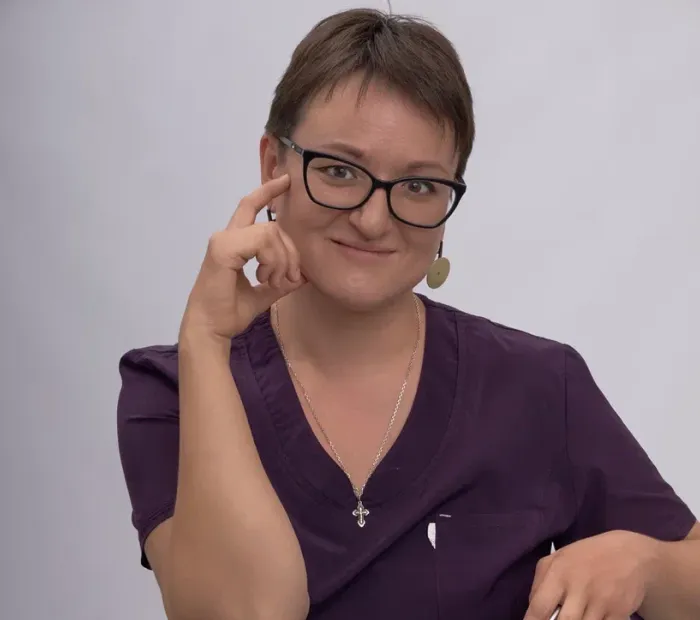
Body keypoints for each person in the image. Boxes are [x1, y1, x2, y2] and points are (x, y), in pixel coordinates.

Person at [116, 8, 700, 620]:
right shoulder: (176, 388)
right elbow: (249, 612)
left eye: (419, 186)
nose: (373, 220)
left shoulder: (539, 384)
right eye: (339, 171)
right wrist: (206, 339)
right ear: (272, 167)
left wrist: (646, 563)